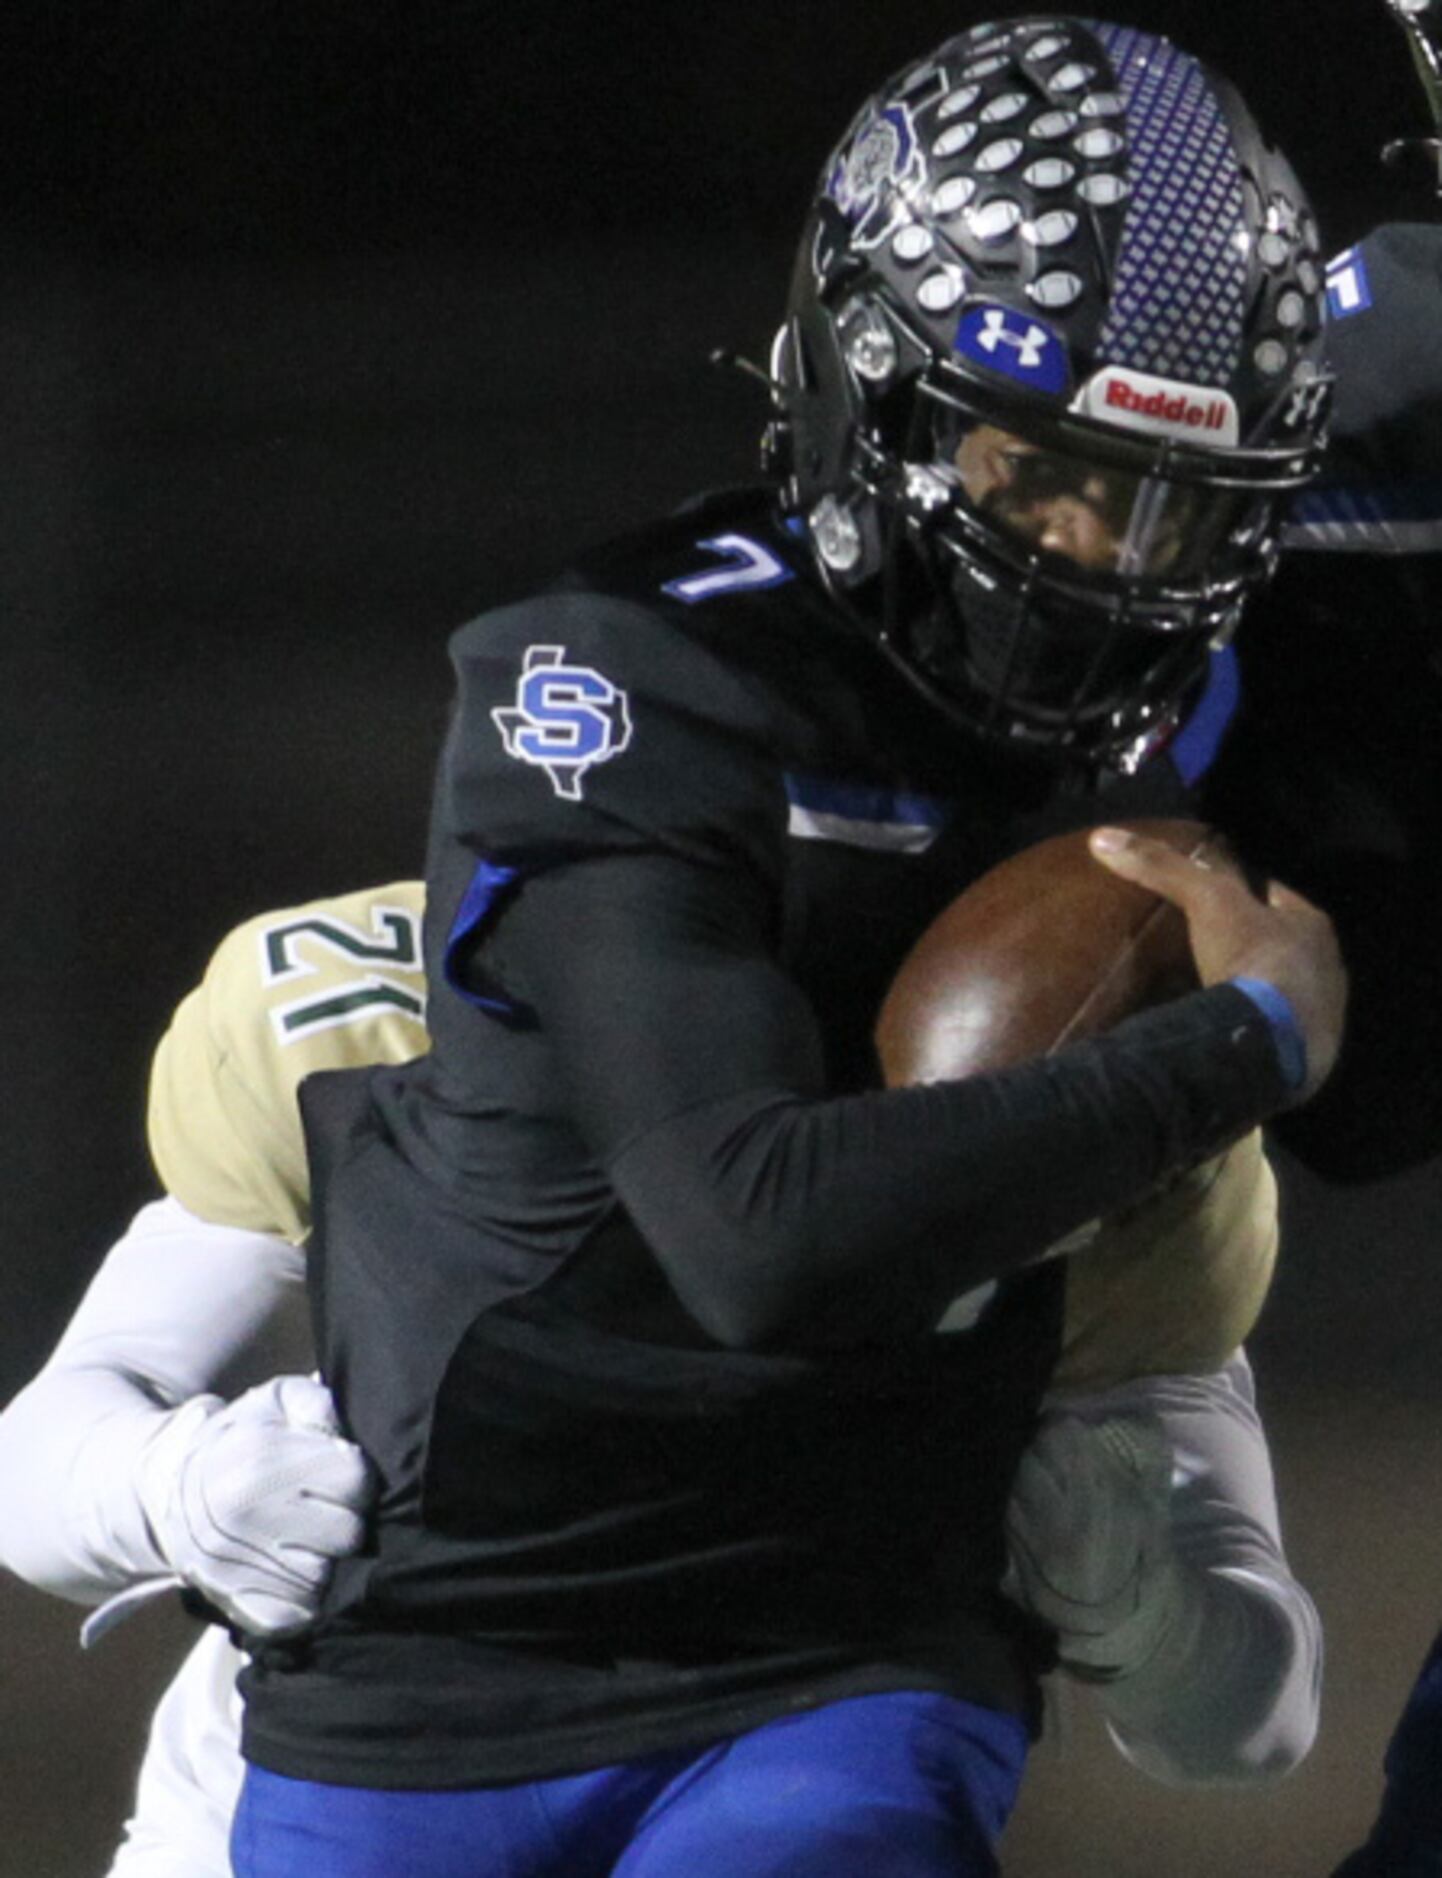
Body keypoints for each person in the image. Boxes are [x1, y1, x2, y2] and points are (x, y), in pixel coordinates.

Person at [199, 19, 1347, 1876]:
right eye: (1030, 465)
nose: (1098, 558)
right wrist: (1244, 1045)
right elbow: (756, 1232)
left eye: (1173, 506)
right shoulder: (618, 674)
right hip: (453, 1651)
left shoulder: (1194, 721)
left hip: (851, 1640)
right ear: (867, 392)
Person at [0, 879, 1315, 1878]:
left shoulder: (1048, 1064)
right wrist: (167, 1483)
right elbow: (35, 1463)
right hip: (351, 1765)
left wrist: (1152, 1607)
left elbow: (1247, 1722)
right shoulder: (370, 1015)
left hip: (792, 1729)